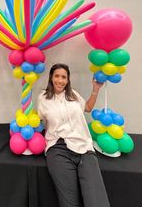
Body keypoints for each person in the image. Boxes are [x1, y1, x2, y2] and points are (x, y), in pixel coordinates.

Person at [37, 63, 110, 207]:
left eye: (64, 77)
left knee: (96, 201)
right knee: (69, 202)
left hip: (83, 147)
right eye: (57, 76)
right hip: (58, 149)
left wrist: (95, 89)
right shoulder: (43, 98)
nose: (60, 80)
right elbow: (38, 122)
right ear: (51, 77)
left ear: (68, 80)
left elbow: (88, 108)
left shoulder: (73, 95)